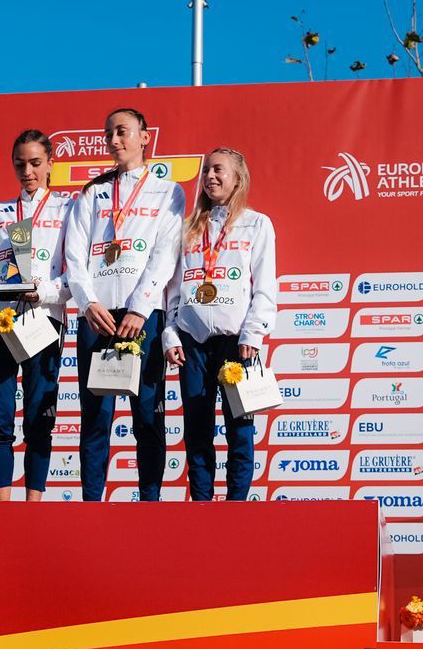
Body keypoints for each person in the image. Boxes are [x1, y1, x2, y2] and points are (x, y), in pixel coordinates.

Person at [62, 107, 184, 501]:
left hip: (142, 318)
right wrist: (87, 303)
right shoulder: (92, 192)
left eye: (122, 132)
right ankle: (91, 504)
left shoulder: (169, 191)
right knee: (95, 418)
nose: (114, 140)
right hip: (97, 318)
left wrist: (140, 308)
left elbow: (165, 254)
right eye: (109, 134)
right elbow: (74, 255)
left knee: (147, 414)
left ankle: (149, 504)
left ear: (145, 137)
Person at [163, 147, 277, 502]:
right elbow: (173, 289)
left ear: (237, 178)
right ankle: (202, 508)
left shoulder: (257, 224)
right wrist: (170, 335)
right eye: (206, 171)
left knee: (239, 429)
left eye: (218, 170)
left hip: (235, 343)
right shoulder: (187, 229)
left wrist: (253, 332)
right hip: (192, 342)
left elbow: (265, 286)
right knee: (197, 431)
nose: (210, 176)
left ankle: (237, 508)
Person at [0, 130, 72, 501]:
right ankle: (3, 507)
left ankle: (33, 506)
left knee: (39, 413)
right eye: (20, 164)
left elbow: (76, 273)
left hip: (44, 317)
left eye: (35, 163)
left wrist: (45, 292)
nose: (27, 172)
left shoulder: (68, 209)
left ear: (50, 164)